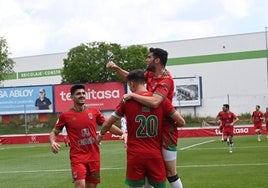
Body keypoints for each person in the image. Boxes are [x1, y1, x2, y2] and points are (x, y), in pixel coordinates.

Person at [106, 47, 183, 188]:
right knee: (149, 170)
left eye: (149, 57)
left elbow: (155, 102)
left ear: (157, 60)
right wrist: (117, 68)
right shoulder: (150, 74)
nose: (146, 59)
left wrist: (132, 95)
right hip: (154, 127)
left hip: (166, 128)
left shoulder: (166, 80)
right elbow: (133, 79)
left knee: (170, 172)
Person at [49, 84, 123, 188]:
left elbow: (108, 126)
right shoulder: (65, 115)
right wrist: (53, 142)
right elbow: (54, 132)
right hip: (77, 157)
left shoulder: (94, 112)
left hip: (94, 156)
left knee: (91, 186)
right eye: (78, 94)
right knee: (80, 185)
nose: (82, 95)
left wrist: (123, 133)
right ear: (71, 97)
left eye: (83, 93)